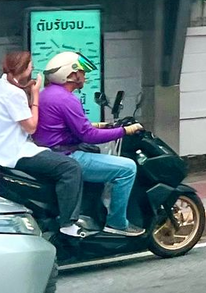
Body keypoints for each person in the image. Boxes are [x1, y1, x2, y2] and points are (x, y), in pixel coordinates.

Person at [34, 52, 144, 237]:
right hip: (68, 156)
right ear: (70, 74)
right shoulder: (67, 99)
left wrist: (100, 125)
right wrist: (125, 131)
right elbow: (88, 135)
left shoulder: (47, 94)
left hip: (51, 153)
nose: (84, 76)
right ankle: (117, 223)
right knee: (127, 168)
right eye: (82, 72)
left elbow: (65, 126)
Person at [0, 51, 87, 238]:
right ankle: (68, 223)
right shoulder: (13, 93)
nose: (33, 68)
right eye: (30, 65)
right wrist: (35, 95)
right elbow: (31, 127)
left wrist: (28, 91)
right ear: (24, 67)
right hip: (15, 152)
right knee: (70, 167)